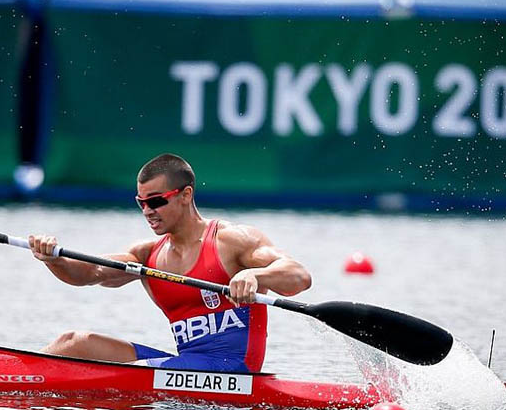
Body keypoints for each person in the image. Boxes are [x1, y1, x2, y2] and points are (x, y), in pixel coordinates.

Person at [28, 153, 311, 372]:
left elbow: (298, 275)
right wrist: (54, 258)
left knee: (131, 373)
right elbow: (91, 272)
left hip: (235, 372)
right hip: (185, 367)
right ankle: (16, 376)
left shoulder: (231, 241)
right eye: (141, 203)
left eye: (156, 201)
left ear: (186, 195)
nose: (147, 212)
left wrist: (256, 277)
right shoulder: (147, 255)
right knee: (73, 343)